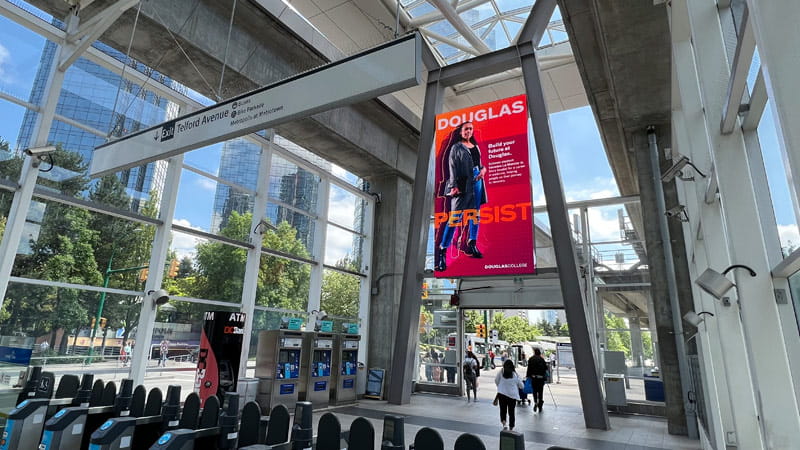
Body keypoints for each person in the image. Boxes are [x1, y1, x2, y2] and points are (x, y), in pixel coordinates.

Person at [435, 121, 488, 271]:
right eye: (466, 129)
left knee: (474, 214)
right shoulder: (455, 148)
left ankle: (472, 244)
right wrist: (454, 186)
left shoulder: (475, 146)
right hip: (461, 182)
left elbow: (480, 163)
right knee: (454, 218)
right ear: (460, 132)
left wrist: (483, 170)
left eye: (470, 129)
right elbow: (452, 168)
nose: (468, 131)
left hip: (477, 180)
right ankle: (442, 252)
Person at [495, 359, 523, 431]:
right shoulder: (515, 374)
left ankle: (504, 424)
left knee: (503, 410)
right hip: (512, 396)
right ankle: (511, 427)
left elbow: (496, 381)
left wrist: (501, 387)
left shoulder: (501, 372)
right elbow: (521, 386)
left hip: (502, 394)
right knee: (511, 412)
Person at [526, 348, 549, 412]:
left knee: (535, 391)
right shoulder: (542, 359)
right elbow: (545, 368)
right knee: (540, 392)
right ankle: (540, 405)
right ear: (539, 353)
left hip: (534, 378)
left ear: (534, 352)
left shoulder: (531, 359)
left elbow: (529, 368)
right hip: (541, 379)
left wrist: (528, 376)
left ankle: (535, 401)